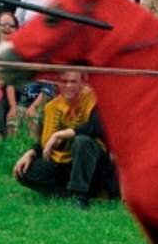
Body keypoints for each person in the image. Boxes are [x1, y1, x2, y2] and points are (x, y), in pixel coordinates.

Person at [10, 71, 115, 203]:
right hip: (63, 164)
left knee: (81, 141)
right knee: (24, 171)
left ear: (82, 83)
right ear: (57, 83)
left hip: (94, 163)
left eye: (73, 82)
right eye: (64, 81)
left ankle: (80, 196)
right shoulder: (51, 107)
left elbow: (98, 126)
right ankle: (75, 193)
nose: (68, 86)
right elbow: (46, 142)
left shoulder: (93, 98)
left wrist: (61, 134)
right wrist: (31, 152)